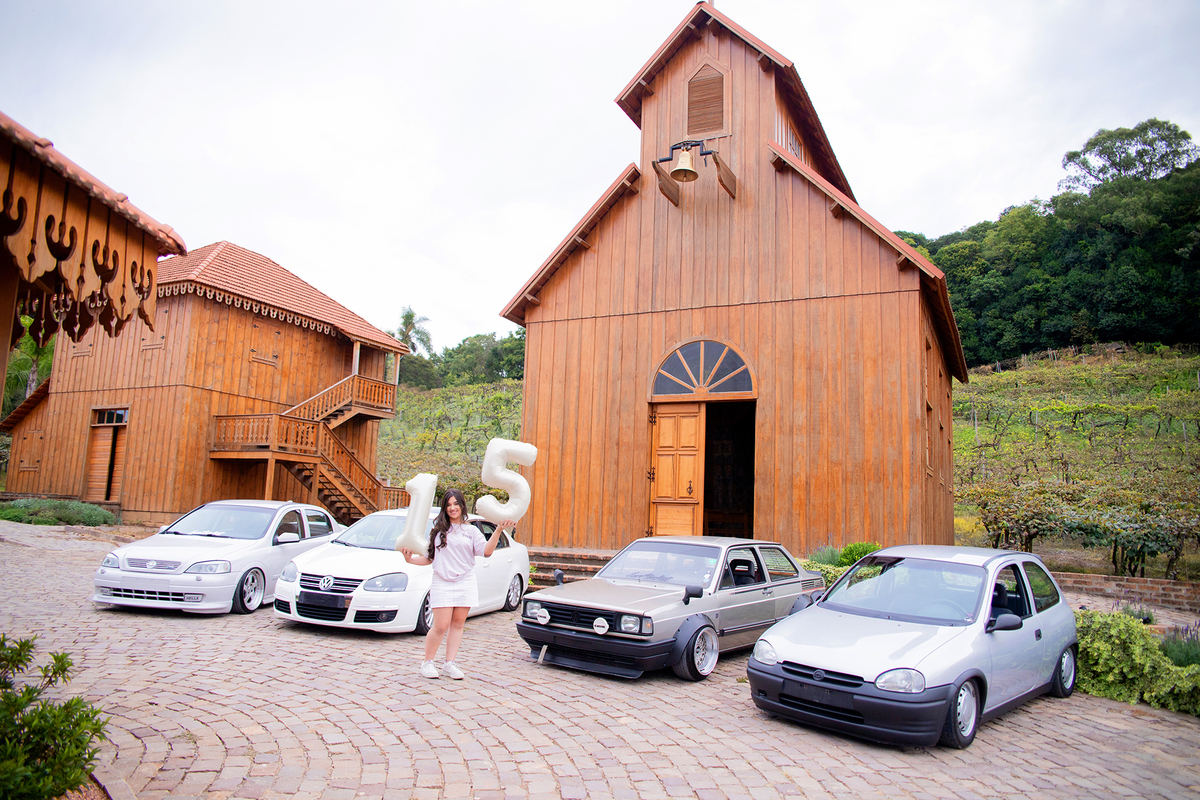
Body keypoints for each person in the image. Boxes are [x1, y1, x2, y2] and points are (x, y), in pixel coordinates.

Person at [399, 488, 513, 679]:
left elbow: (486, 551)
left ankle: (449, 663)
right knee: (441, 625)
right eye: (449, 505)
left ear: (462, 506)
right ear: (445, 508)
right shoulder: (437, 532)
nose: (453, 508)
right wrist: (410, 560)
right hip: (442, 581)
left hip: (465, 580)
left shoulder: (471, 531)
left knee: (458, 624)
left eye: (456, 504)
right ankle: (427, 662)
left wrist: (499, 530)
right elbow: (428, 558)